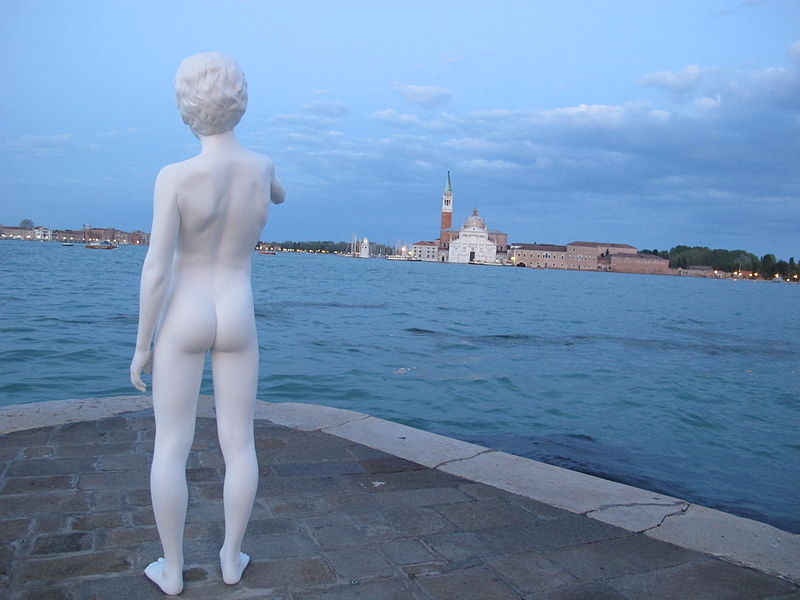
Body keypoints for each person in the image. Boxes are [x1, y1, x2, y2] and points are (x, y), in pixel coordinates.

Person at [130, 51, 285, 595]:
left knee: (171, 445)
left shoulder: (174, 177)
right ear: (240, 101)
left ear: (186, 107)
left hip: (185, 311)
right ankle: (230, 557)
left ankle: (172, 569)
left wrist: (142, 345)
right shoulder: (262, 168)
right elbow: (280, 194)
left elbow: (156, 269)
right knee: (239, 443)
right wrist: (266, 180)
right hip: (237, 312)